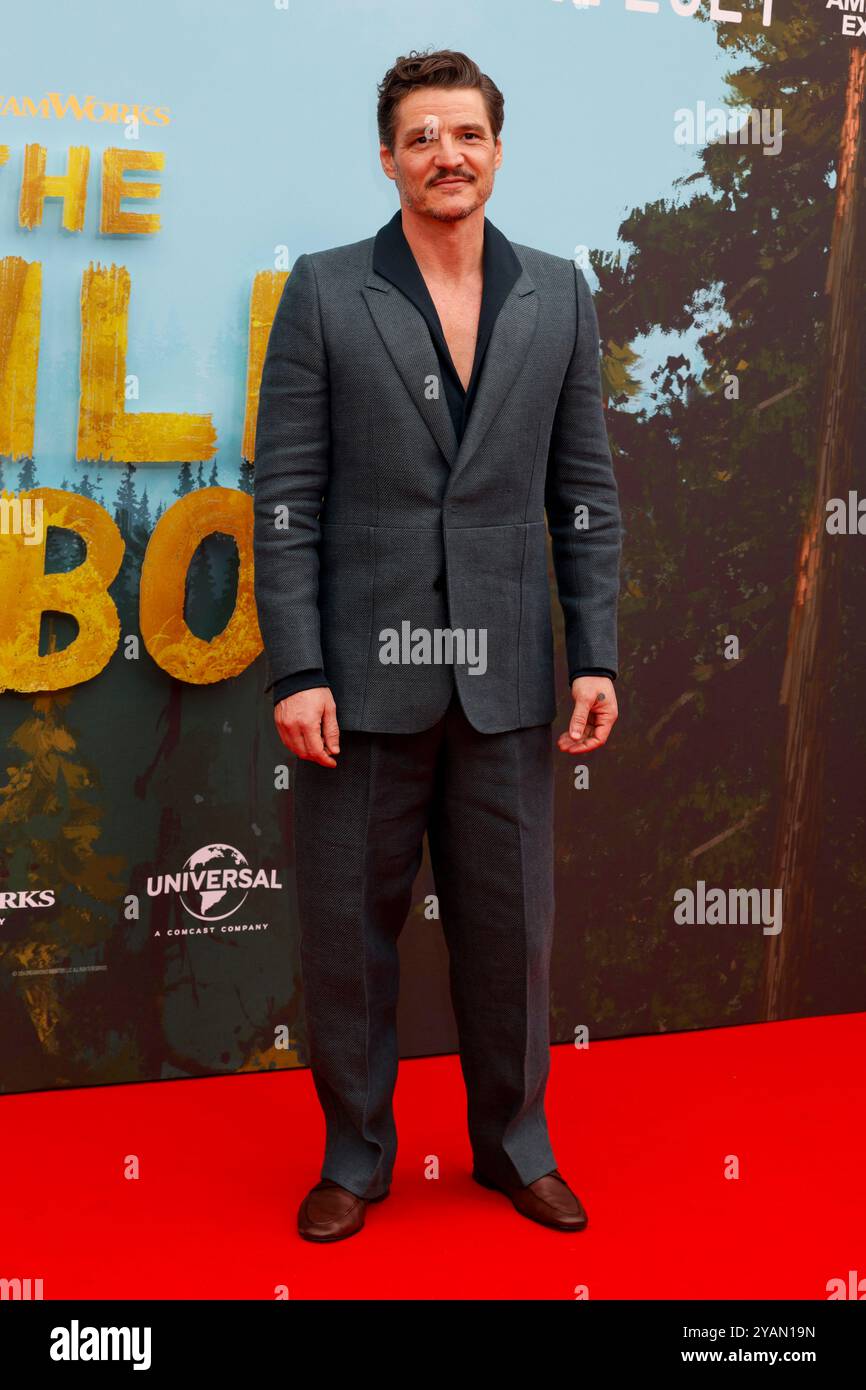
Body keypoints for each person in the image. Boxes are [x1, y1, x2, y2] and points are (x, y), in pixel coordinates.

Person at [253, 48, 622, 1242]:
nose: (445, 155)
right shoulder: (319, 291)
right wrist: (299, 668)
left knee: (510, 935)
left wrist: (593, 651)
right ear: (387, 157)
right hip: (359, 682)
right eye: (420, 136)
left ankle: (514, 1150)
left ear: (497, 150)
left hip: (509, 675)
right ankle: (355, 1159)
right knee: (346, 937)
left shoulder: (559, 295)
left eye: (465, 133)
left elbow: (585, 490)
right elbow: (288, 497)